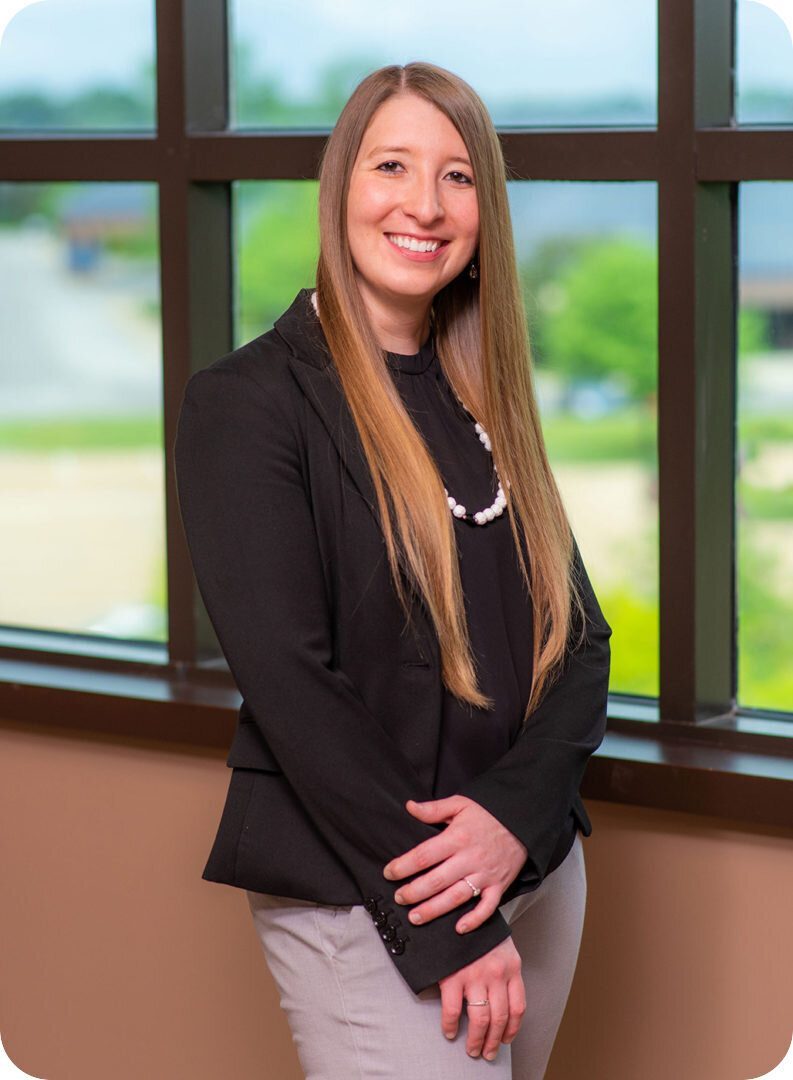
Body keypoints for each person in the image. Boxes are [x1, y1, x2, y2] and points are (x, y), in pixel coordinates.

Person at [174, 61, 612, 1079]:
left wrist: (515, 817)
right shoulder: (248, 403)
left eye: (457, 176)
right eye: (393, 166)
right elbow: (293, 688)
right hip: (369, 889)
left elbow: (579, 642)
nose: (424, 203)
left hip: (536, 867)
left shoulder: (483, 395)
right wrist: (451, 924)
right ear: (341, 190)